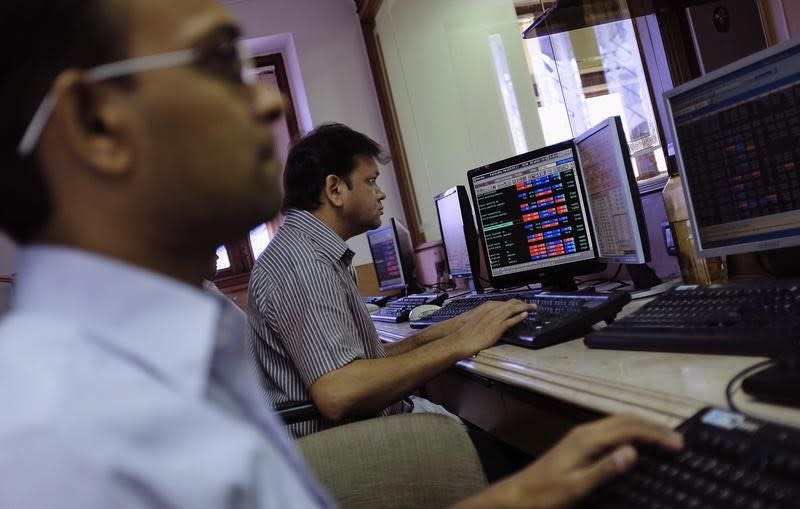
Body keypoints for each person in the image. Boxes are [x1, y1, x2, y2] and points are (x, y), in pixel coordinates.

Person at [0, 0, 683, 507]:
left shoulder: (152, 354)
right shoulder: (57, 434)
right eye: (215, 62)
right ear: (96, 123)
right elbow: (337, 392)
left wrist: (518, 493)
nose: (268, 98)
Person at [248, 123, 538, 439]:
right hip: (344, 447)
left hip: (348, 434)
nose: (381, 192)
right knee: (514, 443)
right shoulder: (303, 264)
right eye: (370, 181)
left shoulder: (309, 249)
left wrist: (444, 332)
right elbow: (339, 393)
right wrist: (461, 343)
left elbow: (363, 365)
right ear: (335, 190)